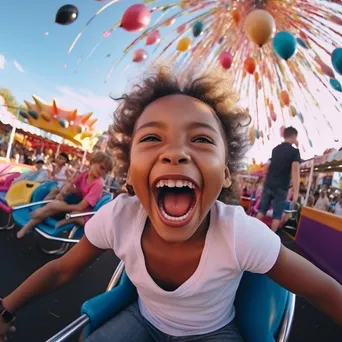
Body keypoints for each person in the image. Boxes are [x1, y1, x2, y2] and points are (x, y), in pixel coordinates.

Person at [1, 68, 341, 342]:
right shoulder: (119, 218)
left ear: (224, 174)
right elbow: (61, 269)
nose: (176, 152)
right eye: (151, 138)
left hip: (214, 333)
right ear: (130, 172)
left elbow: (322, 289)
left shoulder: (240, 233)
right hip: (141, 319)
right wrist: (5, 310)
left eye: (201, 139)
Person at [16, 152, 113, 239]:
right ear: (93, 162)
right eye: (101, 167)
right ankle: (29, 225)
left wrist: (60, 206)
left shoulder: (97, 185)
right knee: (54, 202)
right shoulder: (85, 174)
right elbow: (70, 184)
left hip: (83, 213)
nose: (102, 172)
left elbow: (81, 207)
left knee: (54, 206)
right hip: (76, 204)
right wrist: (64, 191)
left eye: (105, 171)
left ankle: (40, 213)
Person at [256, 127, 301, 232]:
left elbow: (268, 168)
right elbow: (295, 172)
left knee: (261, 211)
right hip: (281, 187)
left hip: (269, 184)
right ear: (294, 137)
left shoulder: (275, 149)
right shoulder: (294, 152)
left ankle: (252, 233)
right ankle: (272, 241)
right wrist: (296, 192)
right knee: (277, 215)